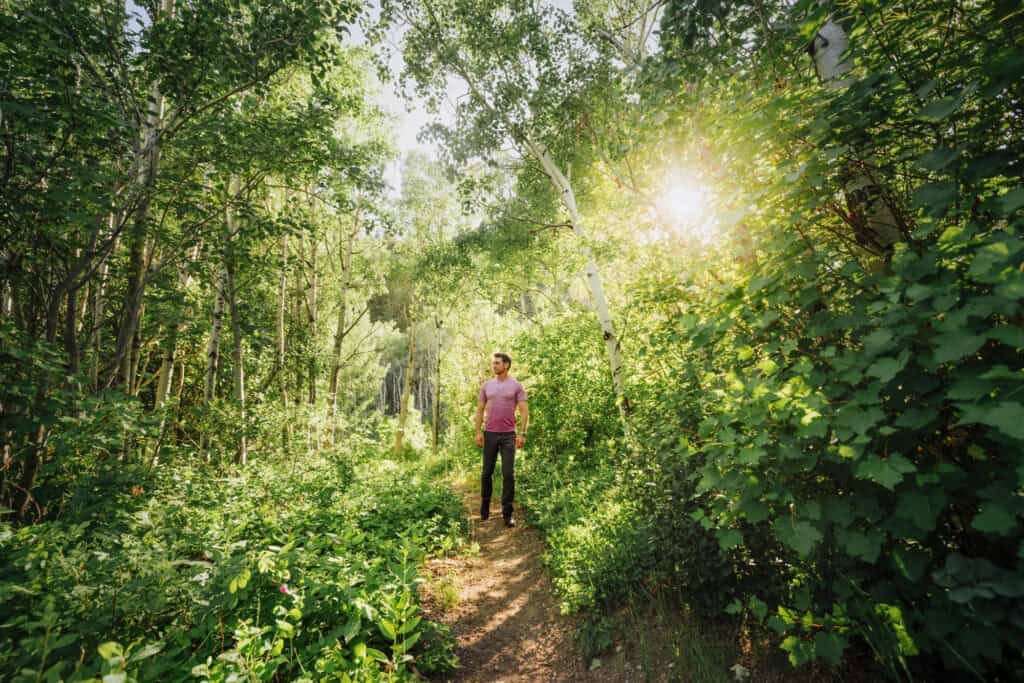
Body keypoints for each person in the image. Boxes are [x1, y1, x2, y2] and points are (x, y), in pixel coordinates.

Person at [475, 352, 529, 528]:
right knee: (486, 473)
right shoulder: (487, 386)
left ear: (506, 365)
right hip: (489, 433)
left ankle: (507, 514)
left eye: (497, 363)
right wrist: (478, 432)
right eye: (493, 363)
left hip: (508, 436)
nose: (494, 366)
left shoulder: (516, 386)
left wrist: (522, 434)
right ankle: (484, 509)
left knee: (508, 475)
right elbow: (480, 409)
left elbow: (524, 411)